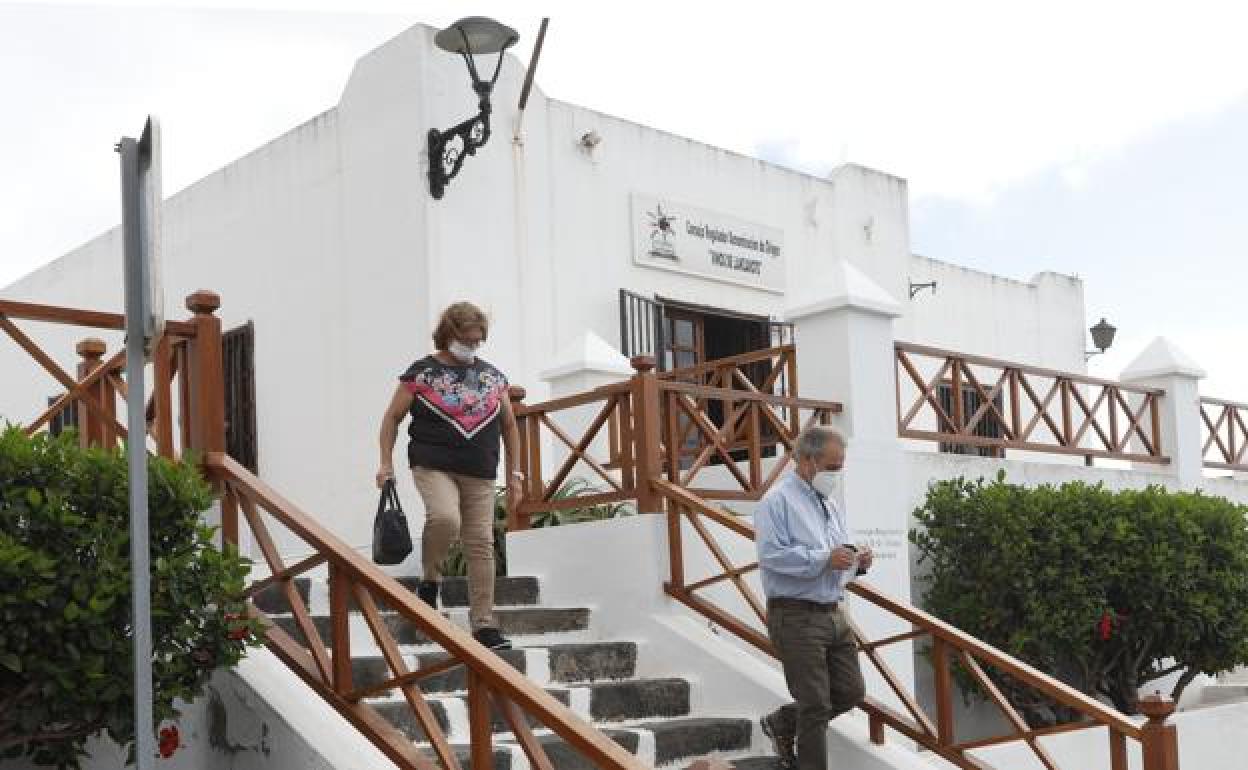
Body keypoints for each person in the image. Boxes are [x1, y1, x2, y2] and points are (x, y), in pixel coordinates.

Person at [376, 301, 524, 650]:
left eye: (478, 341)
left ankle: (485, 624)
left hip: (481, 470)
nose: (472, 347)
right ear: (449, 335)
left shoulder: (492, 377)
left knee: (481, 544)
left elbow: (509, 425)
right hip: (433, 463)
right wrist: (385, 463)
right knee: (445, 518)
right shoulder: (421, 374)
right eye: (467, 340)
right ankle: (430, 580)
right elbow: (391, 418)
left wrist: (515, 474)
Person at [755, 426, 872, 770]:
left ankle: (782, 723)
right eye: (832, 467)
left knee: (851, 692)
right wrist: (824, 559)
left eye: (840, 466)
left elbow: (837, 558)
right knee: (815, 704)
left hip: (832, 613)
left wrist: (857, 562)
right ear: (807, 460)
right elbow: (772, 557)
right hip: (795, 615)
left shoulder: (829, 504)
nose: (837, 474)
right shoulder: (776, 502)